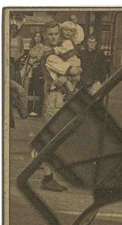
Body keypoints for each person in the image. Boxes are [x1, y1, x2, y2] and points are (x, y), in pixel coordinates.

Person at [38, 21, 82, 192]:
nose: (54, 37)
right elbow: (74, 71)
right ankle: (48, 178)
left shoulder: (60, 52)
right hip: (55, 98)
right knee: (53, 139)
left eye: (56, 34)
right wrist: (74, 71)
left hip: (62, 97)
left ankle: (52, 174)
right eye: (50, 34)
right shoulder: (50, 56)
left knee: (61, 137)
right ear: (45, 36)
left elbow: (78, 70)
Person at [21, 31, 45, 117]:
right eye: (36, 36)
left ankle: (37, 110)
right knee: (30, 89)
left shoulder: (42, 47)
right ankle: (30, 109)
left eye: (39, 37)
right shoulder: (33, 47)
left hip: (37, 69)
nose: (37, 38)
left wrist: (31, 58)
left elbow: (38, 58)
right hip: (30, 69)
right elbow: (28, 58)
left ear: (41, 38)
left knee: (37, 89)